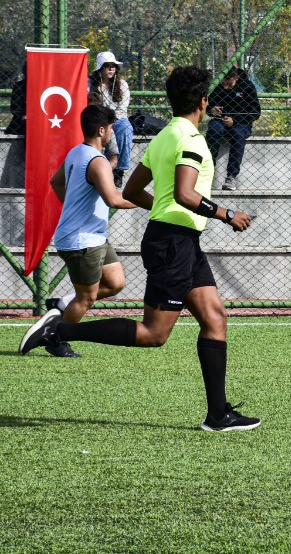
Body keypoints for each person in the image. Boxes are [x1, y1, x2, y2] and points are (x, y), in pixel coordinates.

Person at [20, 66, 261, 432]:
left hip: (179, 240)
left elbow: (132, 192)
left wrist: (164, 211)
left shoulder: (165, 136)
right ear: (203, 101)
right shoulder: (192, 141)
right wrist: (228, 214)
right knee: (154, 334)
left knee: (215, 319)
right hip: (174, 244)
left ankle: (218, 415)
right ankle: (61, 330)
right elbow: (185, 193)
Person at [39, 104, 139, 358]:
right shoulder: (97, 162)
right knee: (87, 298)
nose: (113, 135)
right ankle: (56, 338)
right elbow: (114, 200)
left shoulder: (76, 152)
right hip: (82, 240)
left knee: (116, 283)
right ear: (101, 130)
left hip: (92, 236)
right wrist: (154, 201)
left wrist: (73, 206)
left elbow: (56, 182)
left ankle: (60, 305)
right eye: (112, 130)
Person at [205, 67, 260, 191]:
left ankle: (231, 176)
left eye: (229, 84)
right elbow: (209, 106)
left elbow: (256, 112)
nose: (226, 87)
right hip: (221, 121)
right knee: (214, 129)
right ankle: (207, 168)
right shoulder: (219, 86)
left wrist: (235, 121)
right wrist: (212, 110)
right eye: (224, 83)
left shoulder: (247, 86)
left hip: (241, 123)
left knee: (237, 133)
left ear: (237, 78)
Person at [87, 51, 133, 188]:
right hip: (98, 119)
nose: (111, 69)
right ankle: (101, 169)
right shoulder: (90, 84)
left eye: (114, 66)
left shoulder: (122, 84)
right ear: (100, 68)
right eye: (107, 66)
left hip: (117, 119)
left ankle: (119, 170)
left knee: (125, 127)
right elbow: (90, 106)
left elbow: (122, 108)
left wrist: (111, 123)